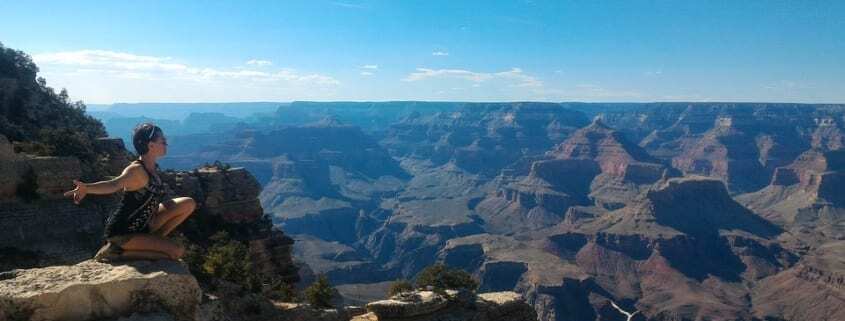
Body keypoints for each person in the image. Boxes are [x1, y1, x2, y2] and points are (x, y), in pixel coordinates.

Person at [64, 123, 196, 262]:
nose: (166, 144)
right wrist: (87, 188)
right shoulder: (136, 171)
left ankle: (155, 241)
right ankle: (117, 253)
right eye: (163, 141)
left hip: (145, 225)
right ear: (150, 145)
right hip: (124, 233)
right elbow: (114, 184)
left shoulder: (151, 168)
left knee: (188, 203)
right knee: (177, 252)